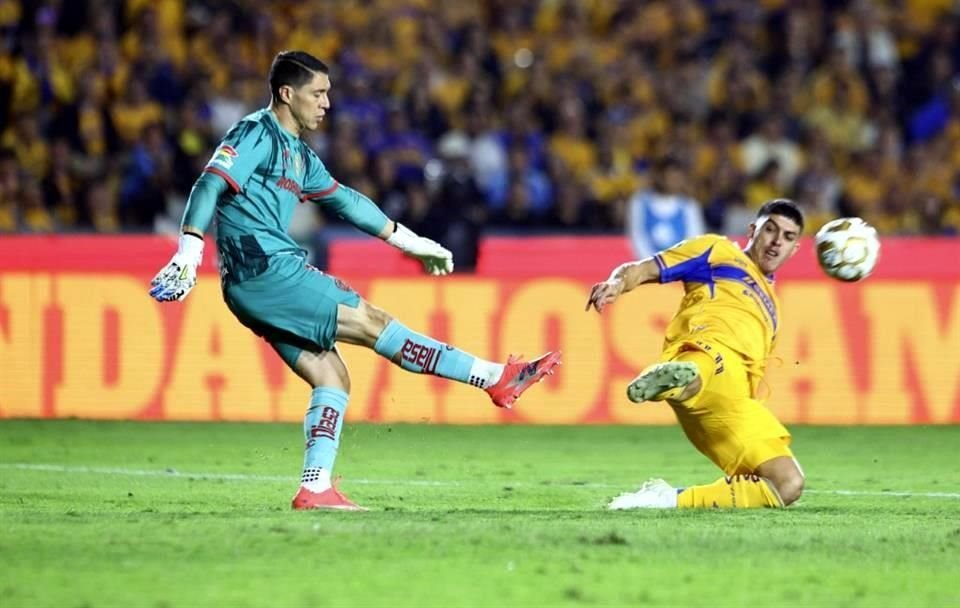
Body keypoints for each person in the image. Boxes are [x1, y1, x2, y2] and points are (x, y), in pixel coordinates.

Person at [149, 51, 562, 511]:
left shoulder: (301, 156)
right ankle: (492, 378)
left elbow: (347, 202)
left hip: (252, 285)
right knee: (373, 322)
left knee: (333, 377)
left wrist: (410, 240)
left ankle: (315, 487)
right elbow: (210, 183)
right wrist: (189, 248)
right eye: (318, 93)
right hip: (266, 269)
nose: (327, 103)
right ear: (287, 94)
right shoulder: (255, 133)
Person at [586, 199, 806, 509]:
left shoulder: (774, 309)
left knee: (788, 484)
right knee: (705, 365)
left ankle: (666, 500)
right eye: (770, 230)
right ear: (752, 230)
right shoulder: (716, 250)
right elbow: (643, 268)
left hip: (736, 403)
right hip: (707, 354)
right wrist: (616, 283)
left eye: (787, 237)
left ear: (795, 248)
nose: (776, 242)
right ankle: (676, 381)